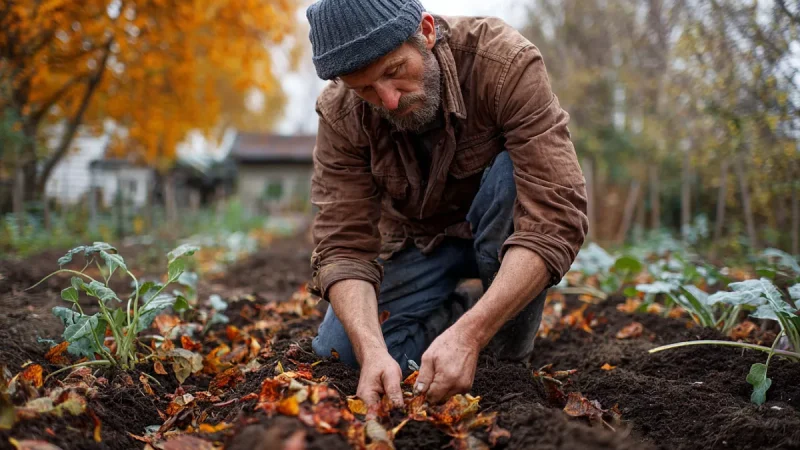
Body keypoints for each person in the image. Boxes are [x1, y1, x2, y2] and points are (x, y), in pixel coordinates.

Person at [304, 0, 588, 407]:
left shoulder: (504, 65)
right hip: (419, 245)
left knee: (513, 176)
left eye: (394, 72)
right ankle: (457, 312)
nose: (387, 100)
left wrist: (472, 336)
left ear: (426, 31)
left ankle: (503, 353)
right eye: (365, 88)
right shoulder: (341, 114)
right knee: (343, 354)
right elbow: (344, 244)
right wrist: (372, 352)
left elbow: (555, 218)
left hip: (504, 242)